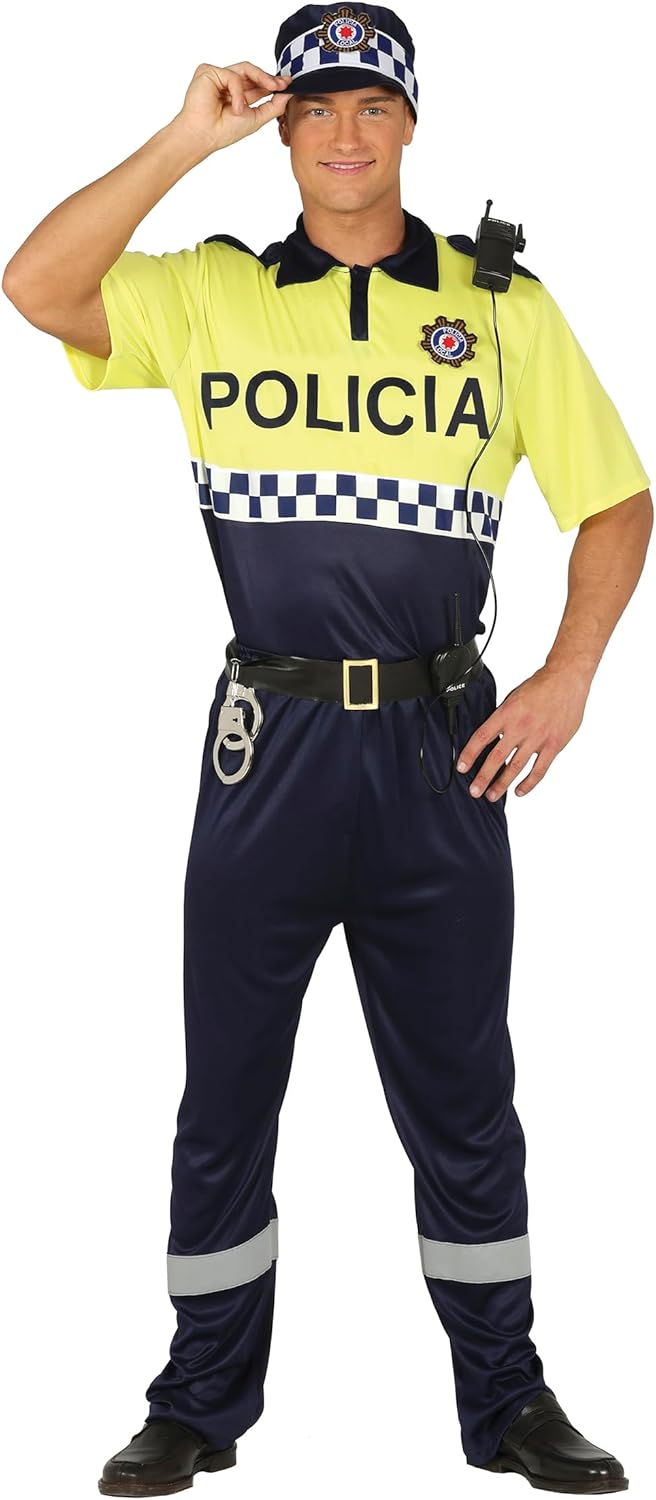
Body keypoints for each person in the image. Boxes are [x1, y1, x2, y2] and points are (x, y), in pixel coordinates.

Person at [3, 4, 652, 1495]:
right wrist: (185, 139)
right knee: (227, 1090)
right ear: (282, 130)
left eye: (372, 106)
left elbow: (615, 501)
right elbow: (36, 285)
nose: (345, 133)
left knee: (466, 1095)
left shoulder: (501, 304)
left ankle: (509, 1400)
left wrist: (568, 675)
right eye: (316, 109)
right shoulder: (209, 294)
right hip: (269, 748)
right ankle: (197, 1402)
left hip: (442, 749)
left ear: (412, 123)